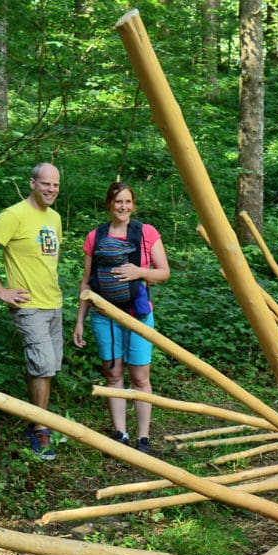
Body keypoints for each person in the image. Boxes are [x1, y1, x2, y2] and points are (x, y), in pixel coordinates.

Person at [0, 162, 65, 461]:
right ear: (32, 184)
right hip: (29, 306)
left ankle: (39, 418)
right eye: (45, 184)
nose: (51, 189)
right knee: (43, 366)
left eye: (55, 185)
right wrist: (1, 290)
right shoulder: (13, 215)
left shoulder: (55, 218)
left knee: (46, 366)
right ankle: (40, 428)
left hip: (53, 303)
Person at [73, 181, 171, 455]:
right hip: (104, 316)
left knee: (140, 376)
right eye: (118, 202)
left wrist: (139, 272)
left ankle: (143, 437)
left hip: (137, 314)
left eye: (127, 202)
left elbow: (163, 272)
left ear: (133, 204)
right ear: (110, 204)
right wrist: (80, 320)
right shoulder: (96, 236)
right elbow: (86, 282)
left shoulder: (146, 233)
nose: (123, 207)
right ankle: (120, 434)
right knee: (113, 374)